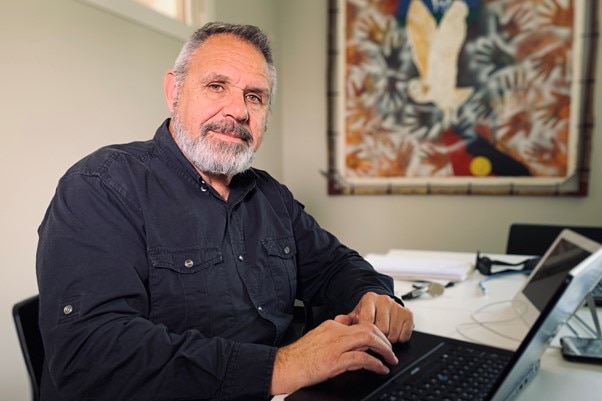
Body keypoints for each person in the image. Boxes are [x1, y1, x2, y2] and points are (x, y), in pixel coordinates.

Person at [36, 22, 414, 401]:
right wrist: (285, 365)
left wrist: (373, 296)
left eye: (255, 97)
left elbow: (334, 265)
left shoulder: (270, 196)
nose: (238, 110)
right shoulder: (101, 186)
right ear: (174, 91)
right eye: (217, 86)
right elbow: (90, 358)